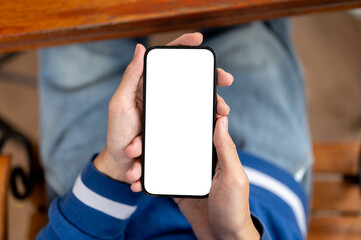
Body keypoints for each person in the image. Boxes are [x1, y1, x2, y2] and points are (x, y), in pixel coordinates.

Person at [38, 20, 313, 239]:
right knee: (246, 29)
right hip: (262, 187)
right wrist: (235, 234)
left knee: (82, 25)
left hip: (100, 201)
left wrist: (113, 165)